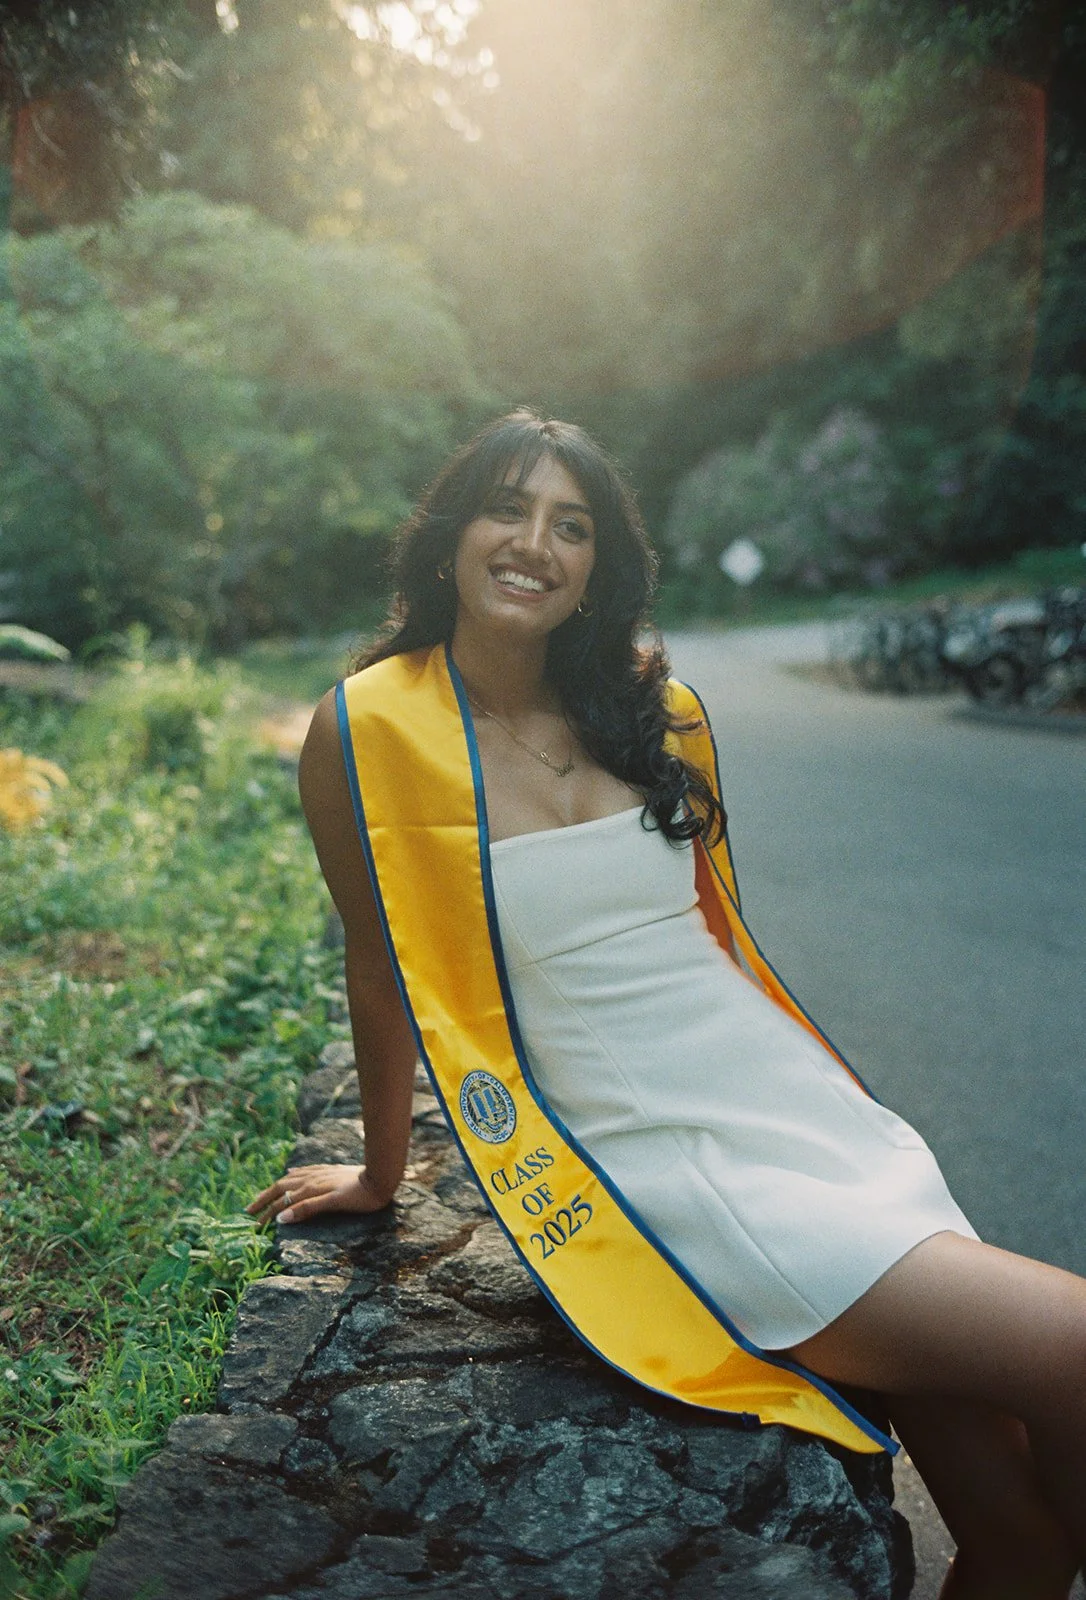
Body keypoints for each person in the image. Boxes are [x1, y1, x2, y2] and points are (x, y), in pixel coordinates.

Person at [248, 410, 1085, 1598]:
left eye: (570, 523)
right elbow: (380, 964)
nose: (534, 540)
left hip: (805, 1118)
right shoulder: (369, 728)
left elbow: (707, 938)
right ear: (450, 535)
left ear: (598, 565)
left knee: (1018, 1531)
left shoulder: (653, 707)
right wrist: (382, 1174)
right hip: (674, 1168)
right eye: (506, 506)